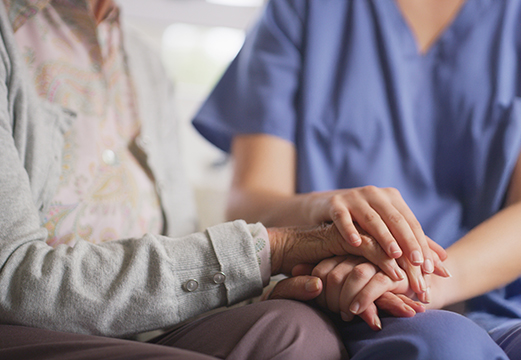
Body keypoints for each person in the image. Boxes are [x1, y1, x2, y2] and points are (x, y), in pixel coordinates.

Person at [0, 1, 420, 359]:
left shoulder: (142, 62)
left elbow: (180, 243)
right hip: (26, 328)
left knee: (296, 331)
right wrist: (275, 248)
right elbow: (13, 282)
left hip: (143, 327)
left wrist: (307, 281)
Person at [193, 0, 521, 358]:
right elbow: (249, 204)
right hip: (342, 297)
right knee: (442, 346)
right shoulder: (301, 8)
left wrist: (422, 284)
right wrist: (323, 212)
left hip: (484, 299)